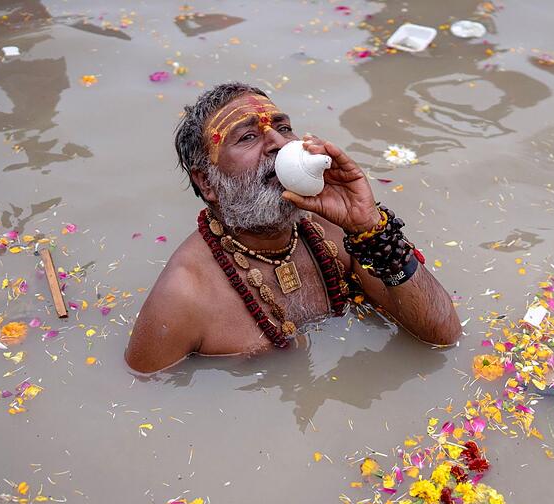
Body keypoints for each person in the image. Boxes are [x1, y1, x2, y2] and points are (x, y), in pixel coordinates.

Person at [124, 83, 462, 373]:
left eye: (283, 128)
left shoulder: (337, 229)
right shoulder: (184, 295)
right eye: (248, 136)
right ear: (206, 182)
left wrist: (371, 227)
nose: (279, 142)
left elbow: (442, 337)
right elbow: (145, 400)